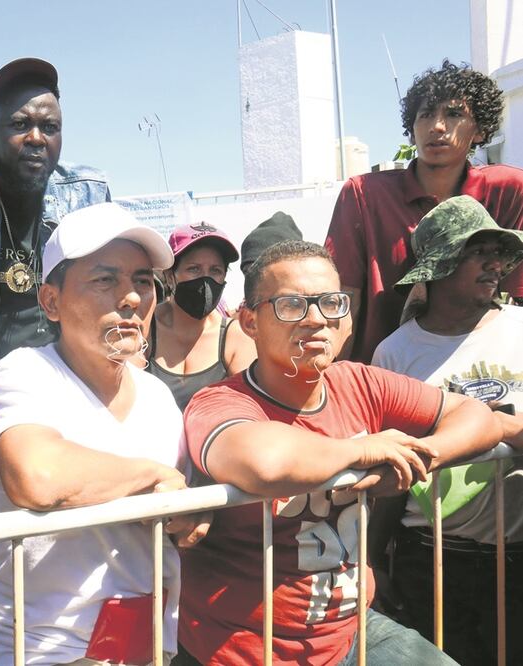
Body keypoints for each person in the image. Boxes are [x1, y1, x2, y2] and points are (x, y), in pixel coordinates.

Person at [180, 240, 500, 665]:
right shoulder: (220, 401)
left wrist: (421, 456)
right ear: (249, 322)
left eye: (332, 303)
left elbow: (478, 415)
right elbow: (265, 462)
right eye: (292, 304)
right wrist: (362, 450)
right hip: (249, 647)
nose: (316, 319)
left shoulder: (360, 383)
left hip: (353, 631)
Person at [0, 202, 208, 665]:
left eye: (143, 281)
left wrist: (187, 517)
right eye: (105, 280)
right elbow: (37, 475)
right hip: (42, 650)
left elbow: (176, 506)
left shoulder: (158, 397)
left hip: (146, 646)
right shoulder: (24, 374)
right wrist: (152, 477)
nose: (131, 298)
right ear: (51, 302)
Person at [371, 195, 523, 665]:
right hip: (431, 562)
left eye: (500, 253)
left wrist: (498, 426)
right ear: (440, 265)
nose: (495, 264)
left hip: (517, 559)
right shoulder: (393, 355)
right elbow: (393, 468)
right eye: (479, 252)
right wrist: (374, 558)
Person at [325, 60, 523, 363]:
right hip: (380, 375)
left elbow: (516, 291)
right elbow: (344, 296)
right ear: (411, 126)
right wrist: (339, 384)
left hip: (477, 374)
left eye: (454, 113)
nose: (437, 126)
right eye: (426, 114)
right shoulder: (364, 194)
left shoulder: (509, 189)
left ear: (481, 129)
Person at [0, 57, 111, 381]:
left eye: (49, 127)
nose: (36, 138)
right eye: (20, 125)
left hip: (66, 381)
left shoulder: (89, 195)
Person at [148, 222, 255, 410]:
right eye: (194, 269)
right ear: (170, 276)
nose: (206, 281)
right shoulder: (146, 328)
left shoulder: (235, 337)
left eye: (215, 271)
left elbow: (249, 408)